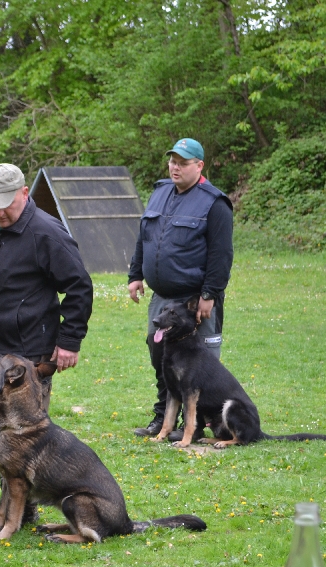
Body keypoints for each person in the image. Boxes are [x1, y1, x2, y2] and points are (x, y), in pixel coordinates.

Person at [0, 162, 93, 531]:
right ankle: (13, 505)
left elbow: (79, 286)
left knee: (22, 437)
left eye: (5, 205)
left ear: (24, 194)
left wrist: (69, 341)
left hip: (29, 354)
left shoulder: (47, 232)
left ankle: (22, 511)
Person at [128, 138, 234, 440]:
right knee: (160, 355)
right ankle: (163, 417)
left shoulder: (215, 203)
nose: (175, 167)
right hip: (162, 297)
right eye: (172, 161)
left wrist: (209, 294)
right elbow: (145, 237)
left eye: (183, 163)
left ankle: (199, 425)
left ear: (199, 166)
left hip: (195, 299)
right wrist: (136, 274)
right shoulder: (160, 191)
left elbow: (221, 254)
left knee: (201, 363)